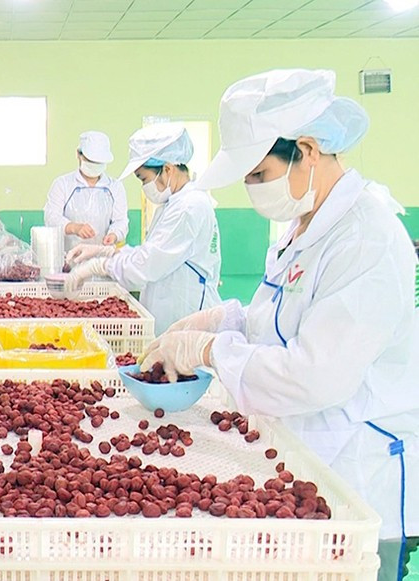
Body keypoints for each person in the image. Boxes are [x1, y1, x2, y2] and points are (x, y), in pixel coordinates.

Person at [139, 69, 418, 581]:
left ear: (308, 150)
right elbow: (279, 317)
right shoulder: (304, 223)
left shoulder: (366, 238)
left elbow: (316, 374)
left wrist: (210, 351)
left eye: (259, 174)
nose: (252, 190)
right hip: (306, 456)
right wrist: (226, 317)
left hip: (360, 472)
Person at [65, 123, 222, 334]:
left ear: (167, 169)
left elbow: (145, 266)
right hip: (170, 310)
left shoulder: (188, 208)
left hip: (186, 316)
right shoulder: (171, 205)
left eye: (144, 179)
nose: (144, 186)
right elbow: (150, 252)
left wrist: (97, 266)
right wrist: (104, 251)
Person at [43, 131, 128, 252]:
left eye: (98, 162)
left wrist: (114, 235)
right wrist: (74, 227)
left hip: (102, 262)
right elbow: (51, 218)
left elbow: (121, 221)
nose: (94, 165)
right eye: (90, 160)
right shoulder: (63, 184)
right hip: (69, 259)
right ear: (78, 154)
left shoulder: (115, 187)